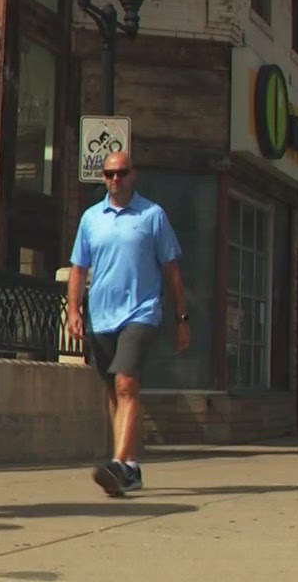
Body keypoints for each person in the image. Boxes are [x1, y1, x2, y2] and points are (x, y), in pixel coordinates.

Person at [66, 151, 187, 497]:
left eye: (122, 173)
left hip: (141, 313)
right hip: (101, 316)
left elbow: (172, 270)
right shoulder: (91, 219)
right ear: (103, 177)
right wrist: (74, 310)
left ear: (134, 175)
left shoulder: (152, 216)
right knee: (114, 392)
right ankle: (131, 467)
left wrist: (181, 317)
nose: (115, 179)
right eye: (109, 174)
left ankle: (117, 464)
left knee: (126, 385)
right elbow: (78, 269)